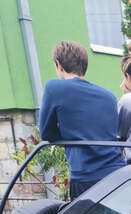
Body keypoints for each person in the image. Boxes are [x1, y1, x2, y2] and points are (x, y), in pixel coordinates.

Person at [39, 41, 125, 199]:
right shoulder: (109, 96)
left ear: (58, 64)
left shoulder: (54, 88)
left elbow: (46, 132)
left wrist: (69, 136)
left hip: (85, 176)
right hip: (116, 173)